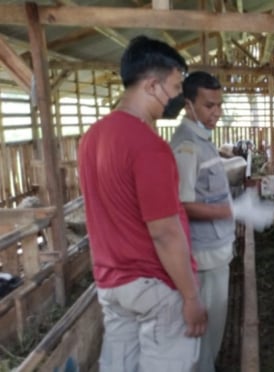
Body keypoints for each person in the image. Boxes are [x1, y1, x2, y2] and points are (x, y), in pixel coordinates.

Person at [78, 36, 207, 371]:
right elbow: (164, 231)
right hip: (154, 287)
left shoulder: (91, 138)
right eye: (175, 87)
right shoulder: (149, 146)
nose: (177, 97)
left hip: (111, 284)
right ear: (152, 85)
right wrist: (191, 297)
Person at [169, 71, 235, 372]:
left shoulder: (202, 140)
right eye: (209, 106)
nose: (216, 113)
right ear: (188, 105)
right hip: (204, 256)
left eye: (219, 105)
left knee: (214, 326)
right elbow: (181, 203)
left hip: (215, 250)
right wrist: (228, 211)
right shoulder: (187, 146)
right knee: (205, 334)